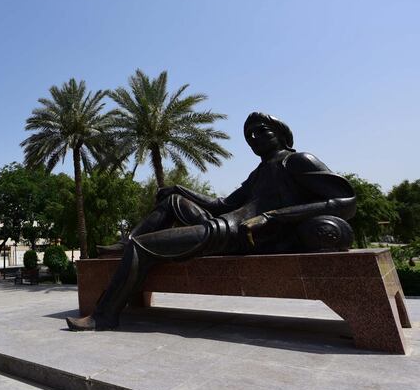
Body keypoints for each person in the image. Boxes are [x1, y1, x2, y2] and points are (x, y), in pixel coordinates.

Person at [67, 112, 356, 332]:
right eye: (250, 136)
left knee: (142, 247)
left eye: (261, 131)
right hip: (223, 223)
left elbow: (346, 202)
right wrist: (179, 189)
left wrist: (271, 217)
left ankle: (104, 316)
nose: (255, 138)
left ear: (282, 134)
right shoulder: (259, 173)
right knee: (172, 202)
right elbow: (223, 205)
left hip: (234, 235)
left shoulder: (298, 161)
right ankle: (125, 243)